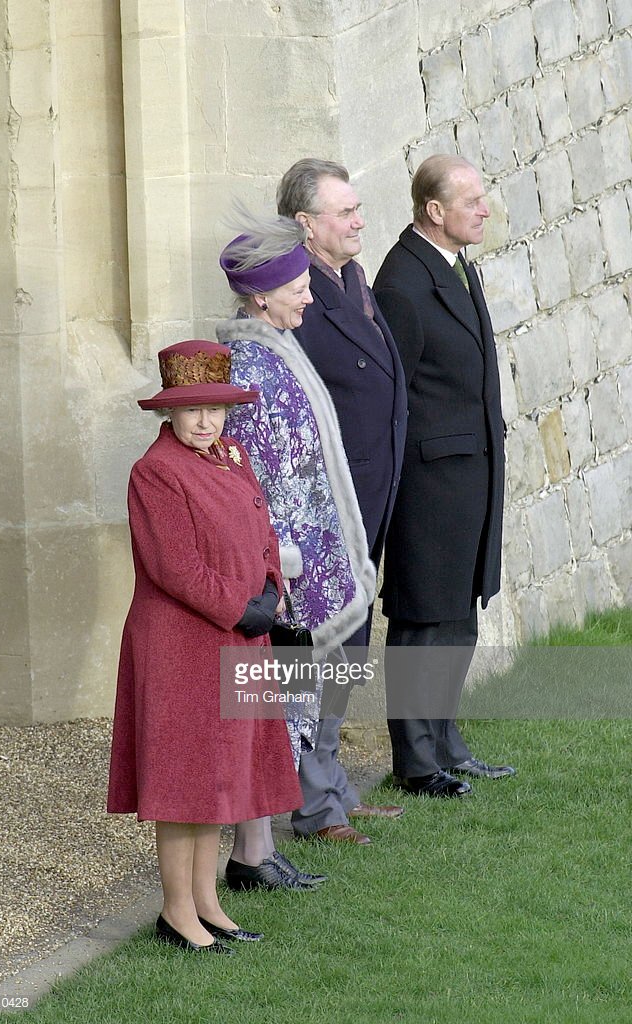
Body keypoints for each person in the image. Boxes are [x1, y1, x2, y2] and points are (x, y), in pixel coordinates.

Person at [107, 340, 303, 952]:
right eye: (192, 410)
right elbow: (175, 567)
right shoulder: (156, 473)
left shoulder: (232, 455)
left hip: (238, 637)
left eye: (215, 408)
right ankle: (176, 912)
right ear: (169, 412)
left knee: (221, 773)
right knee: (184, 779)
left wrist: (272, 588)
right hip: (181, 645)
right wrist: (240, 607)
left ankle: (209, 902)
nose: (205, 421)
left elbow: (262, 529)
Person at [218, 208, 403, 850]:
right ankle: (289, 825)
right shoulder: (249, 367)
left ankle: (318, 803)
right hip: (288, 565)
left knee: (315, 683)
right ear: (262, 295)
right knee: (285, 692)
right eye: (297, 284)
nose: (307, 292)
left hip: (314, 554)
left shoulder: (280, 348)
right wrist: (283, 563)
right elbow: (254, 480)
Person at [373, 154, 516, 797]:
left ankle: (446, 740)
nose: (484, 208)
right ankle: (416, 758)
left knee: (458, 613)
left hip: (470, 475)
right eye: (472, 200)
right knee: (422, 617)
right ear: (435, 211)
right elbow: (389, 397)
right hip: (428, 486)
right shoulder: (402, 282)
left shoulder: (455, 266)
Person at [275, 159, 407, 838]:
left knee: (349, 644)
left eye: (357, 209)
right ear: (306, 224)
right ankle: (312, 804)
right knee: (317, 650)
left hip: (369, 499)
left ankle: (333, 790)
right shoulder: (295, 296)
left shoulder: (350, 278)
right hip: (326, 512)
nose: (359, 221)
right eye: (345, 212)